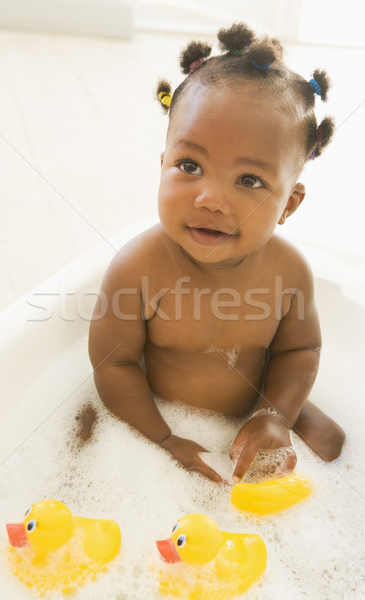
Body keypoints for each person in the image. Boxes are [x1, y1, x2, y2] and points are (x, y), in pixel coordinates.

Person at [88, 23, 345, 483]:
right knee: (86, 436)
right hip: (160, 410)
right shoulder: (137, 269)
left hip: (255, 399)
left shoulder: (287, 272)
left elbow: (300, 351)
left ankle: (274, 418)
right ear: (162, 165)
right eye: (190, 166)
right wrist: (166, 439)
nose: (210, 198)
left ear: (288, 204)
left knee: (333, 449)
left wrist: (275, 414)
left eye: (249, 181)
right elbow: (115, 366)